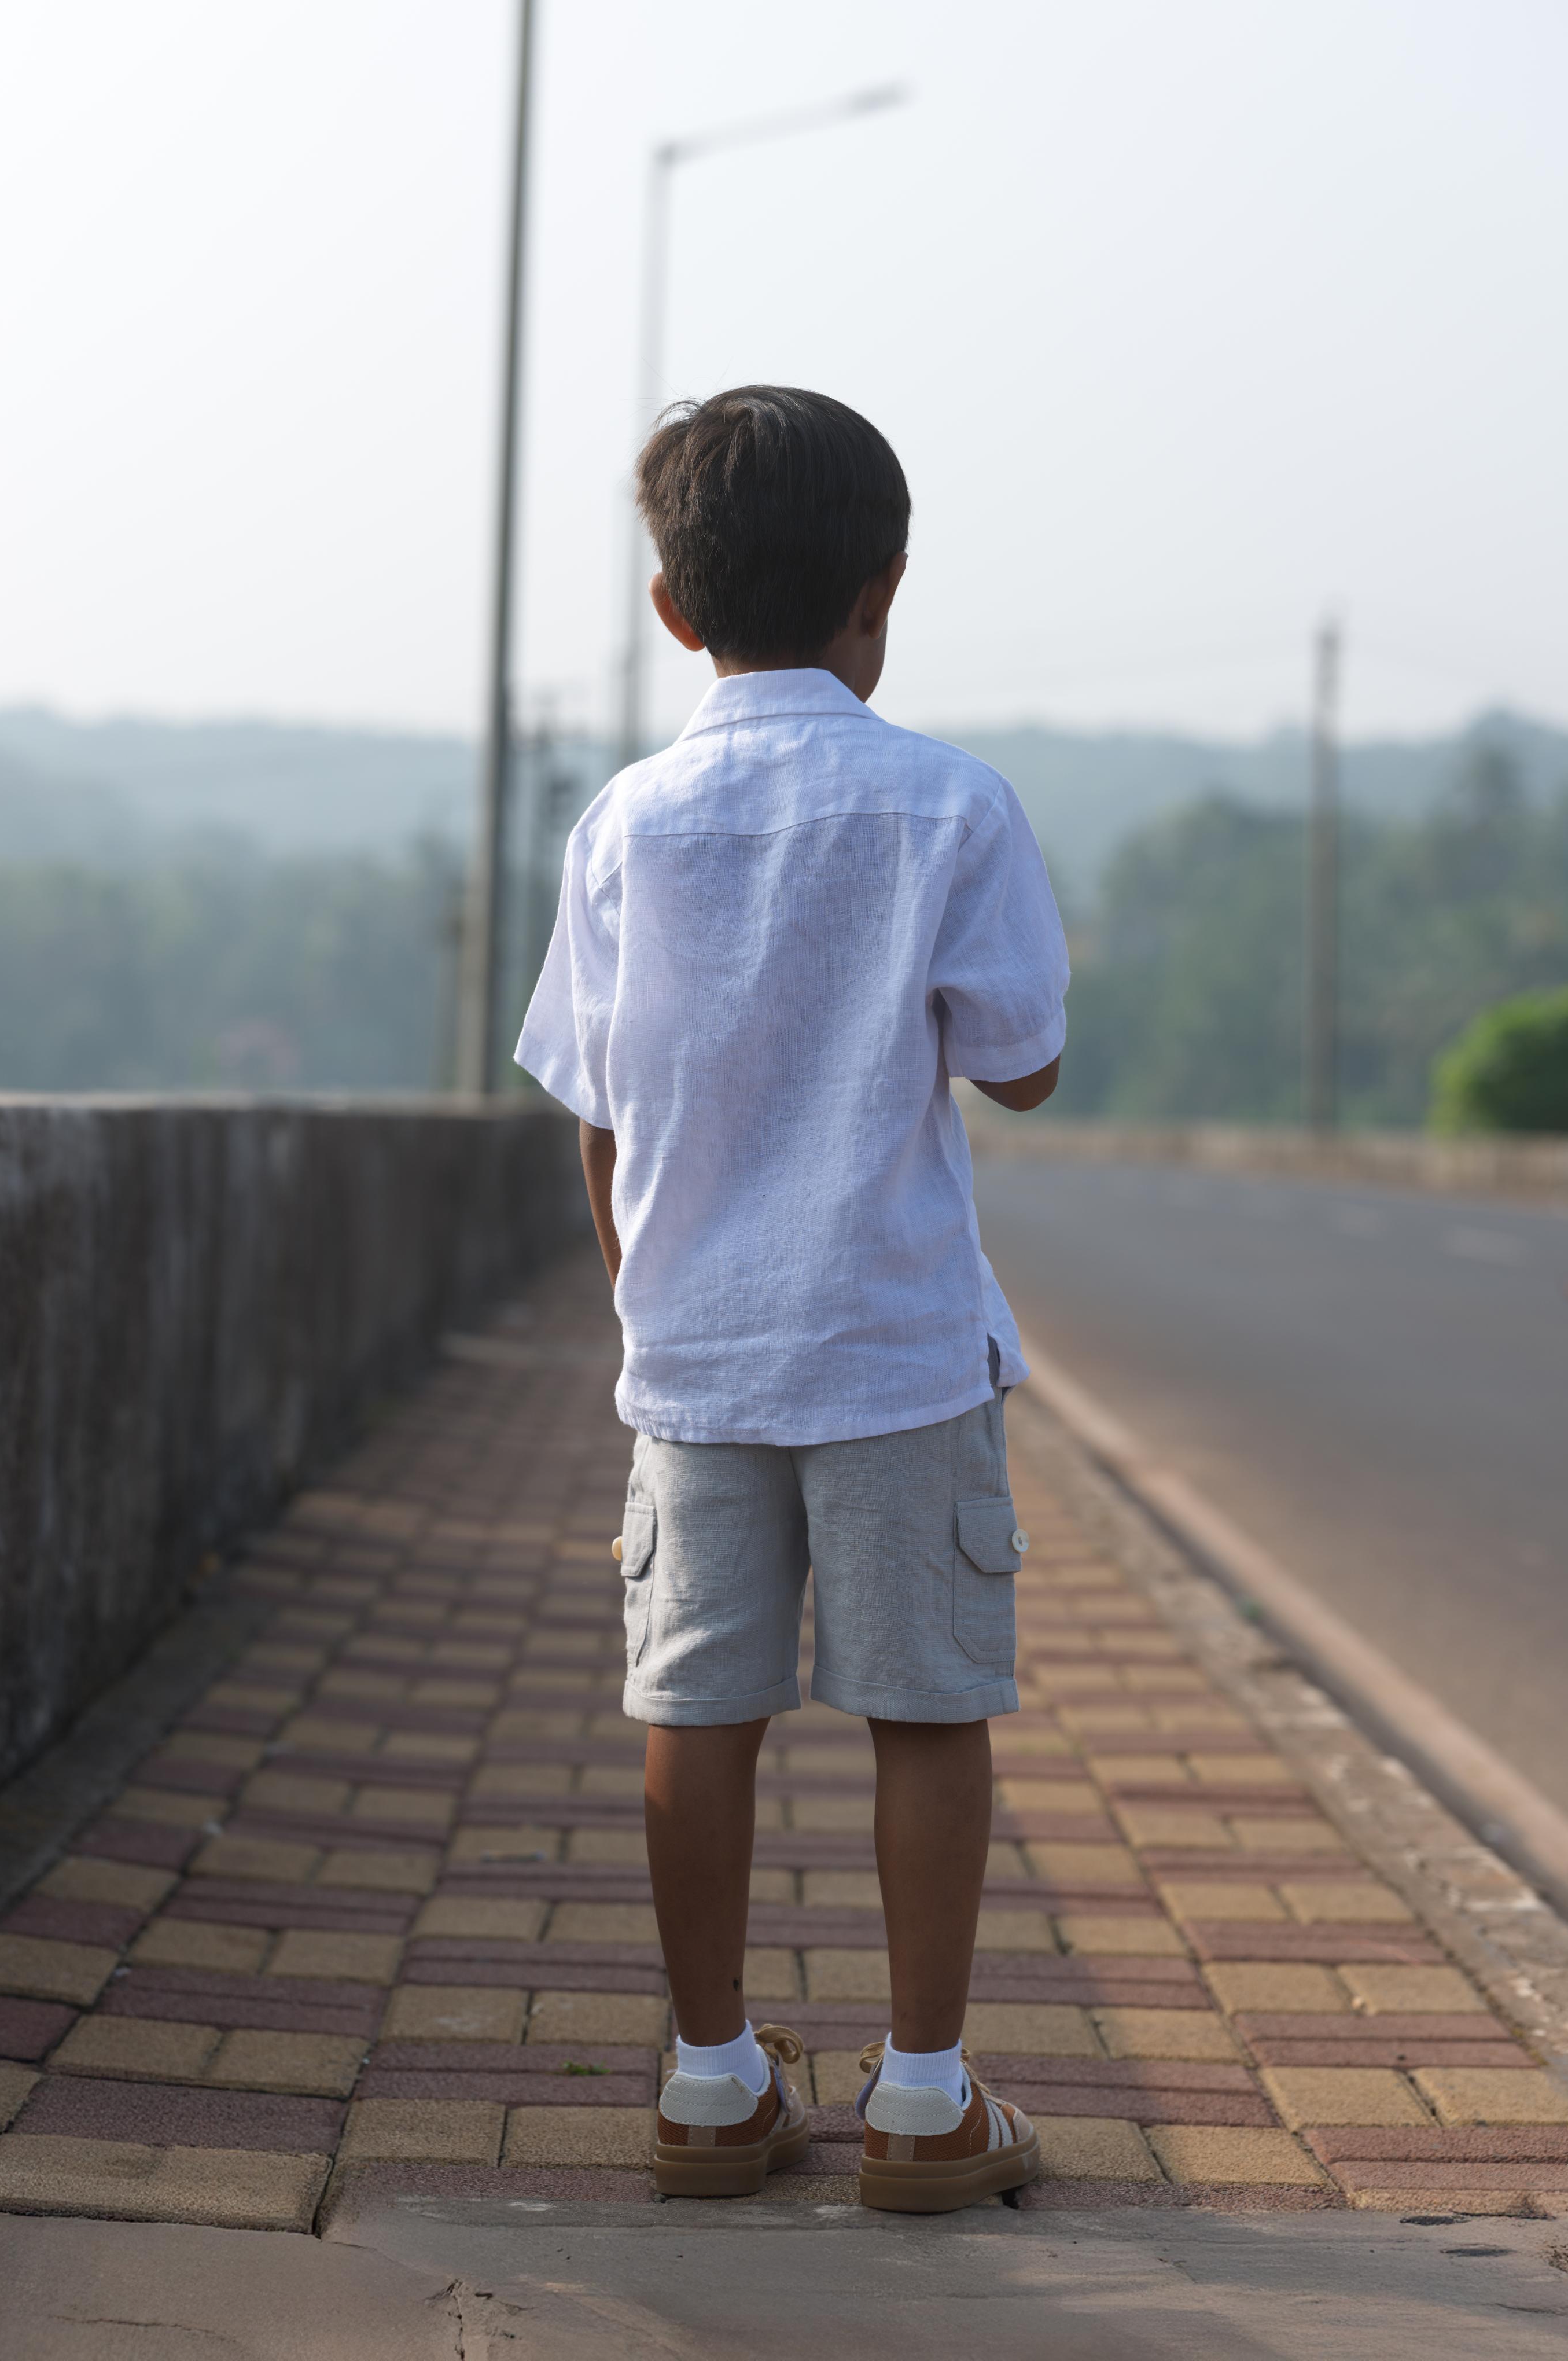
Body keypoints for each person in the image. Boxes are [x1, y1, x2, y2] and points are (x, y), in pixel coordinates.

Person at [515, 385, 1068, 2212]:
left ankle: (707, 2081)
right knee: (925, 1708)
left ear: (673, 608)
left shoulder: (623, 824)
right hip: (899, 1343)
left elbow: (596, 1111)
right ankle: (921, 2097)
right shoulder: (946, 804)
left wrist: (642, 1308)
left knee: (699, 1708)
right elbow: (1022, 1064)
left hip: (693, 1355)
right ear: (880, 594)